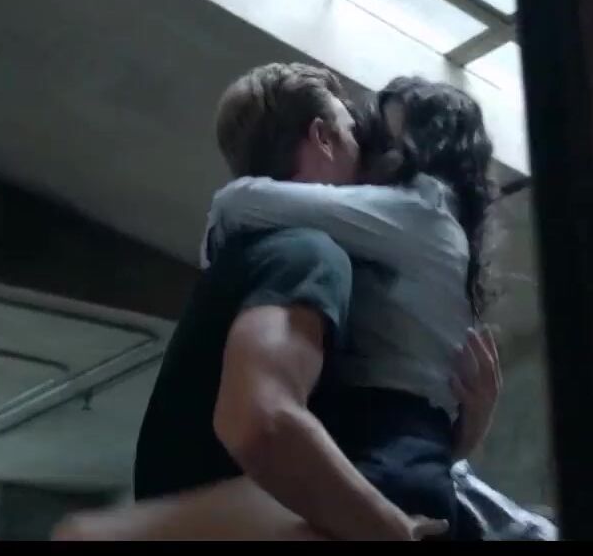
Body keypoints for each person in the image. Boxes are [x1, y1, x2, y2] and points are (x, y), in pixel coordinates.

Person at [53, 64, 501, 541]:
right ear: (323, 137)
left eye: (379, 141)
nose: (368, 150)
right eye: (359, 134)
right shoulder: (307, 255)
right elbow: (264, 422)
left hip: (388, 466)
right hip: (391, 471)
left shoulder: (416, 213)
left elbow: (236, 204)